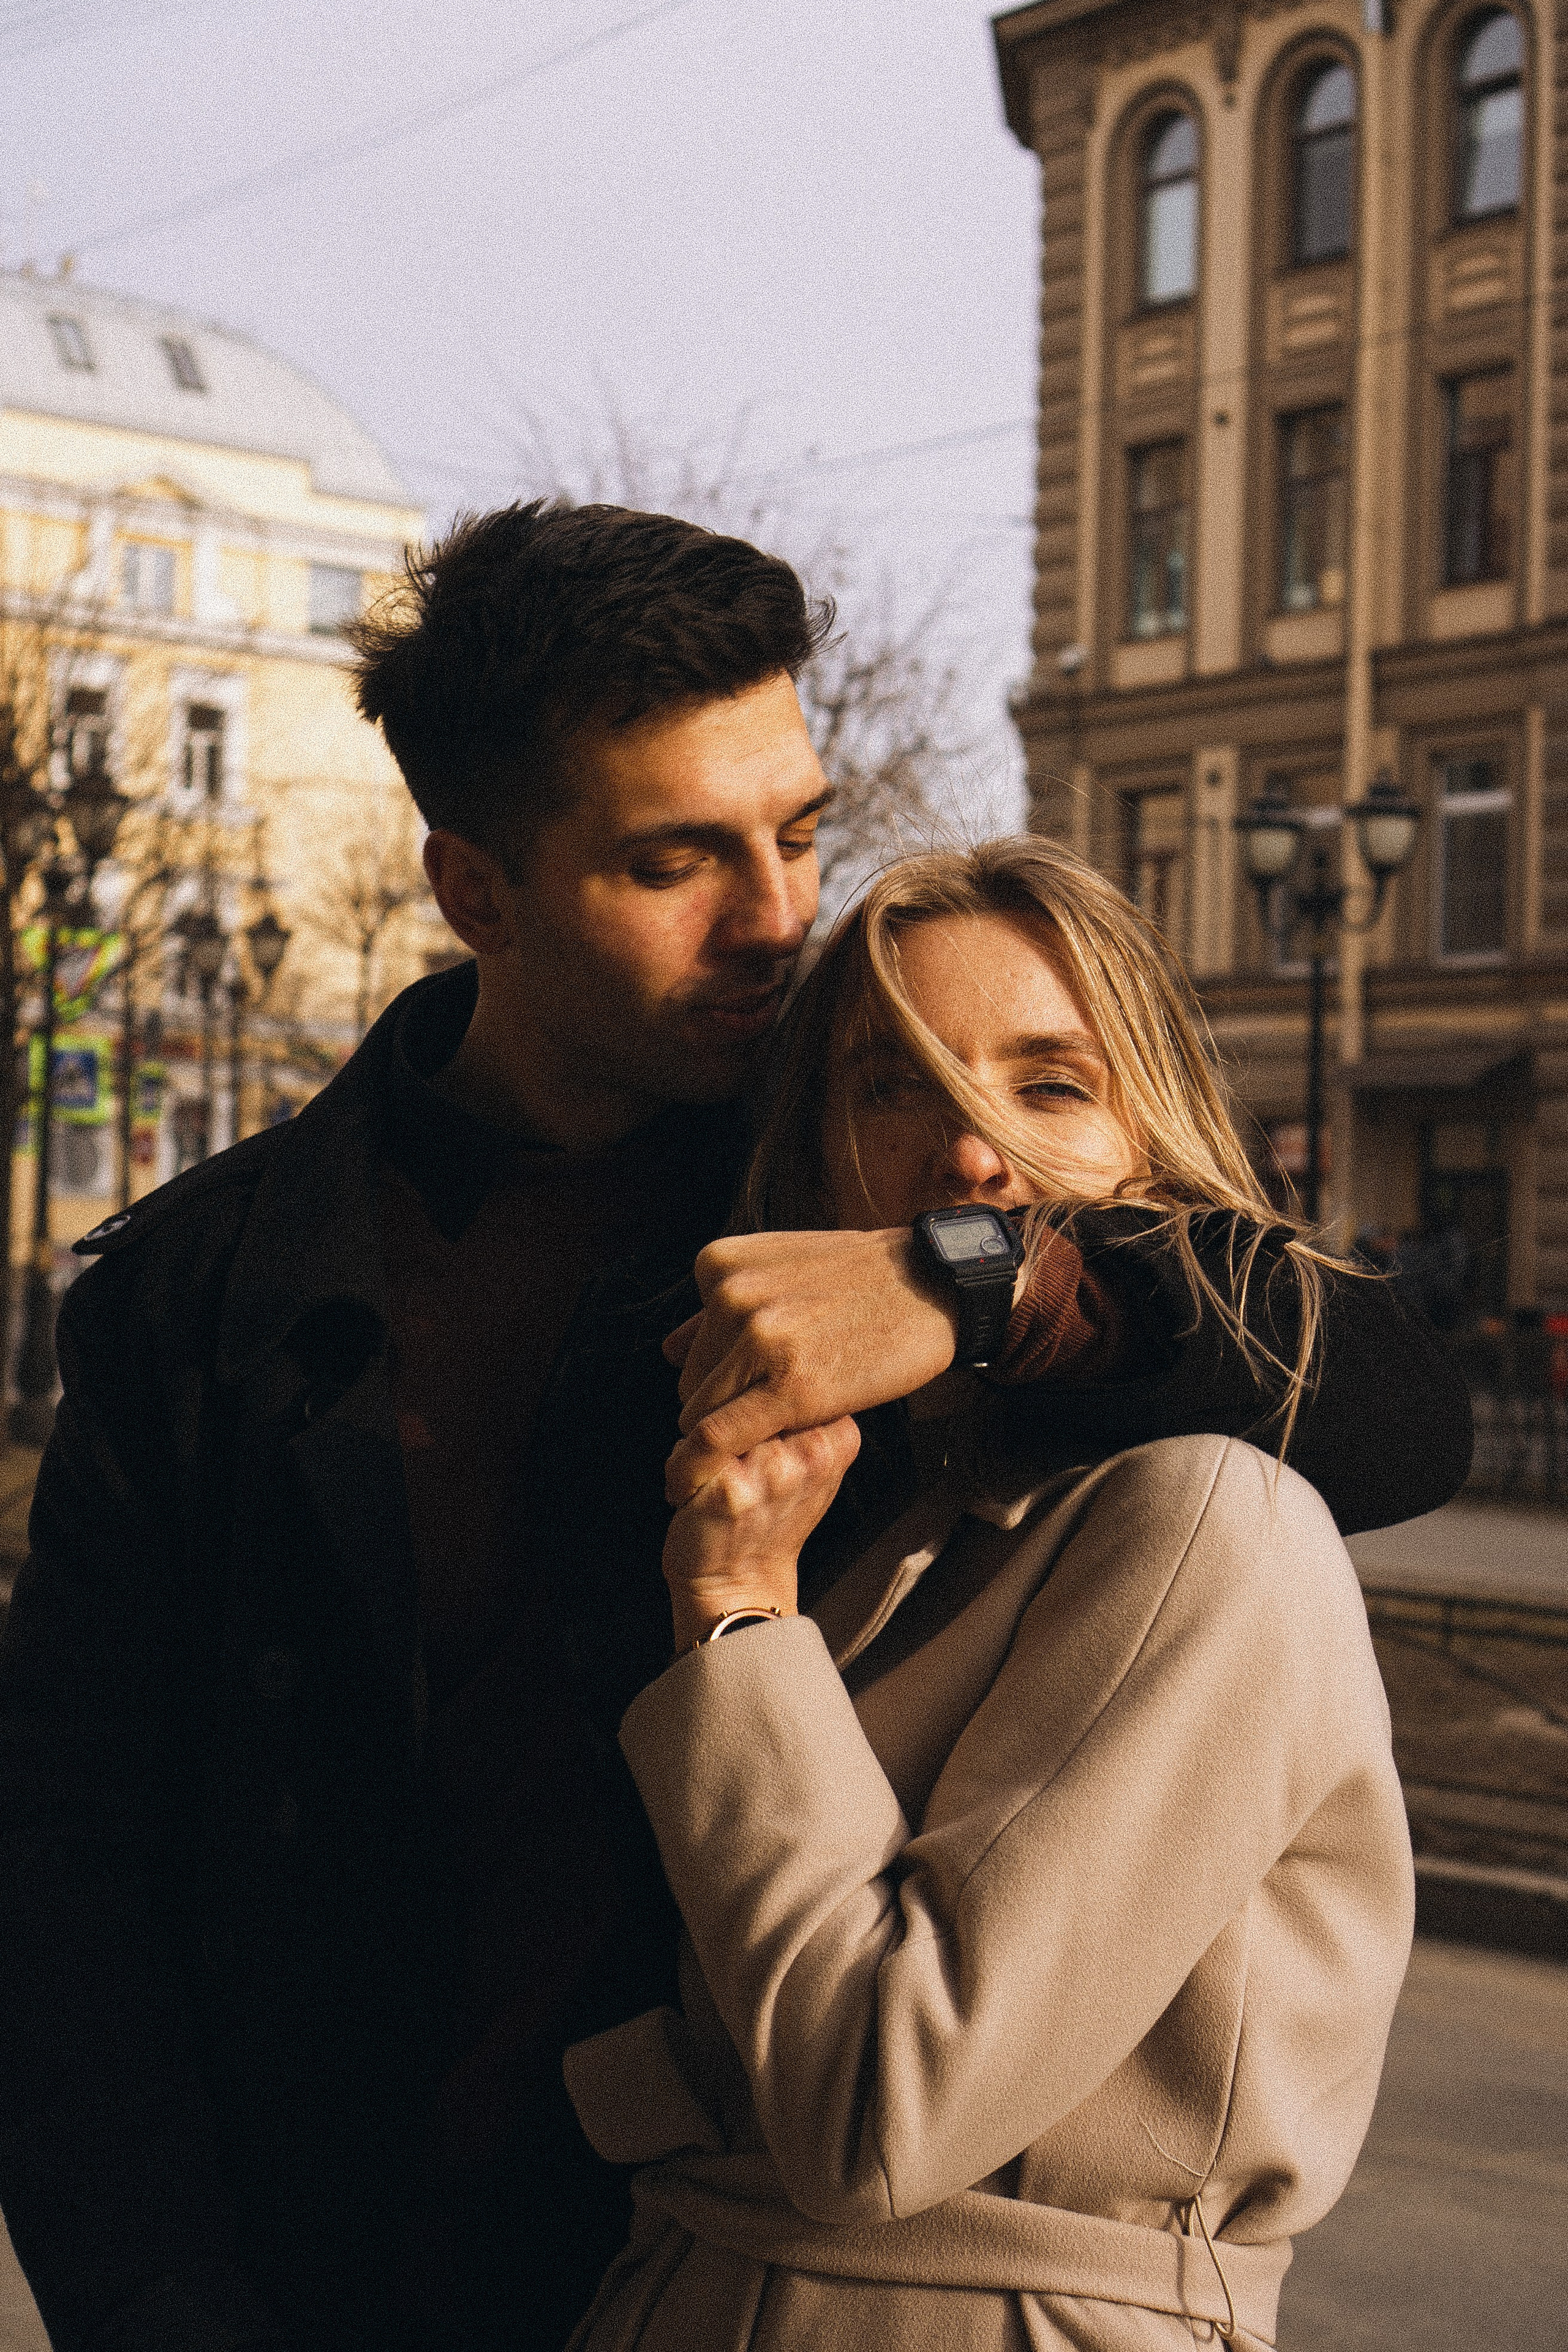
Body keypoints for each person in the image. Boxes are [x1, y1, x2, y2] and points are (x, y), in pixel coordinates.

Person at [0, 505, 1465, 2352]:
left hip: (709, 2250)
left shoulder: (878, 1153)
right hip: (327, 2262)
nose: (777, 919)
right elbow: (66, 1872)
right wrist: (156, 2304)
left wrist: (972, 1272)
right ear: (477, 891)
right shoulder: (205, 1294)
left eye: (798, 831)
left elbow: (1393, 1401)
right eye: (676, 860)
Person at [562, 840, 1417, 2352]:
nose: (966, 1150)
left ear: (1148, 1149)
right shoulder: (845, 1498)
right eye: (892, 1085)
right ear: (815, 1150)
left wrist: (740, 1608)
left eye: (1049, 1085)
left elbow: (877, 2113)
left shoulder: (1207, 1520)